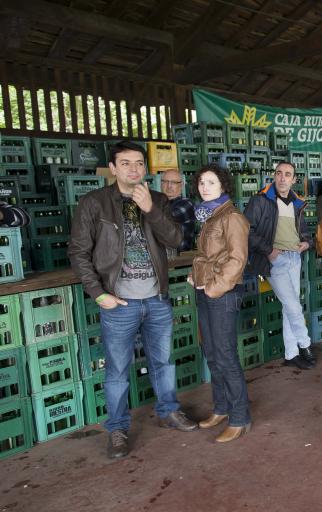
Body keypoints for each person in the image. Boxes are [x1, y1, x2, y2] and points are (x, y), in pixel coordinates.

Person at [68, 141, 198, 459]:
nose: (134, 169)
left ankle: (168, 411)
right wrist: (99, 294)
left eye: (139, 163)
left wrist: (151, 210)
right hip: (120, 304)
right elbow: (78, 252)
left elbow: (176, 239)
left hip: (156, 299)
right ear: (113, 168)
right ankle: (117, 429)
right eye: (125, 163)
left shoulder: (156, 200)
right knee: (117, 371)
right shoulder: (94, 203)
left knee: (164, 363)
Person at [189, 164, 251, 442]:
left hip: (222, 293)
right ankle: (222, 407)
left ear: (223, 186)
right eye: (202, 182)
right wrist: (195, 275)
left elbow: (237, 259)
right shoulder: (207, 216)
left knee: (225, 355)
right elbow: (206, 254)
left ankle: (240, 418)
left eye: (211, 182)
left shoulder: (232, 217)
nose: (205, 187)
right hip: (206, 290)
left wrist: (213, 287)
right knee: (212, 353)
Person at [244, 161, 315, 370]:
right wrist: (269, 250)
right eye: (279, 173)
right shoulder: (261, 200)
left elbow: (303, 230)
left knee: (288, 306)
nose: (283, 178)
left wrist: (306, 242)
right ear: (274, 176)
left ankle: (291, 353)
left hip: (295, 257)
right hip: (275, 260)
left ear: (294, 179)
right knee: (293, 305)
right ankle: (305, 345)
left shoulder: (296, 202)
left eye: (288, 174)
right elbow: (246, 230)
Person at [159, 168, 196, 255]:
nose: (169, 186)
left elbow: (165, 221)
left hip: (178, 258)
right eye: (165, 181)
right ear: (161, 184)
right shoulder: (159, 204)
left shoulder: (186, 204)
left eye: (174, 182)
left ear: (182, 185)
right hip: (160, 256)